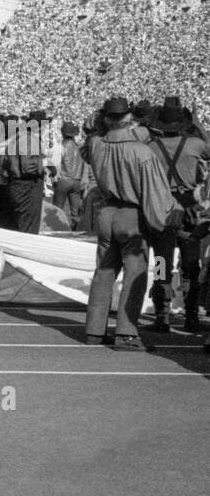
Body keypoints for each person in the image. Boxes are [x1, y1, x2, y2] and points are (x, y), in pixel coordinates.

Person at [83, 98, 178, 350]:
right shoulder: (142, 152)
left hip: (106, 213)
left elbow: (88, 144)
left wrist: (98, 123)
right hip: (133, 216)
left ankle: (94, 330)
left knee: (103, 272)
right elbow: (154, 193)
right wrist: (164, 220)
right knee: (136, 273)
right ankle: (126, 333)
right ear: (129, 119)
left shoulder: (96, 145)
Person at [146, 98, 208, 333]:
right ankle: (191, 315)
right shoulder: (195, 145)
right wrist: (198, 124)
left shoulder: (151, 147)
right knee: (191, 264)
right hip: (189, 208)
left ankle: (161, 315)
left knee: (162, 261)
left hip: (163, 206)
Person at [51, 121, 91, 229]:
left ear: (63, 133)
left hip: (63, 180)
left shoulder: (60, 146)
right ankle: (75, 229)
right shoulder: (79, 148)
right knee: (75, 210)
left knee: (57, 208)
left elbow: (56, 165)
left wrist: (54, 179)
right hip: (77, 180)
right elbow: (85, 164)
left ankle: (57, 228)